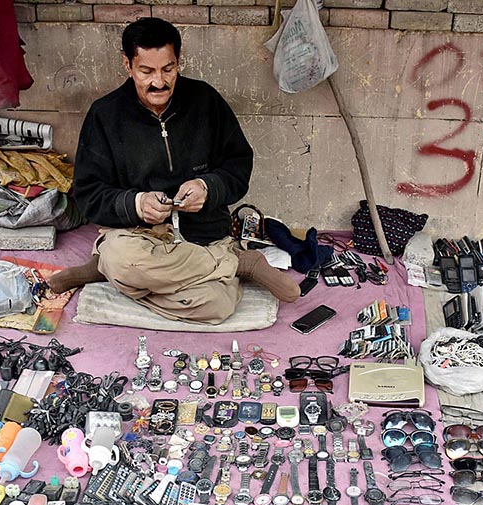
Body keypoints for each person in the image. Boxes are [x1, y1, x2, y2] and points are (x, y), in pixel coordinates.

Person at [48, 17, 299, 323]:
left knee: (216, 306)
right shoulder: (105, 115)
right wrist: (136, 204)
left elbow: (238, 165)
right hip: (139, 238)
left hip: (203, 235)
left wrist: (208, 188)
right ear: (127, 65)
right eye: (146, 71)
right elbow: (88, 195)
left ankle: (108, 271)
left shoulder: (205, 101)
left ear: (179, 62)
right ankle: (237, 264)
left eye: (168, 69)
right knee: (124, 260)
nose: (159, 82)